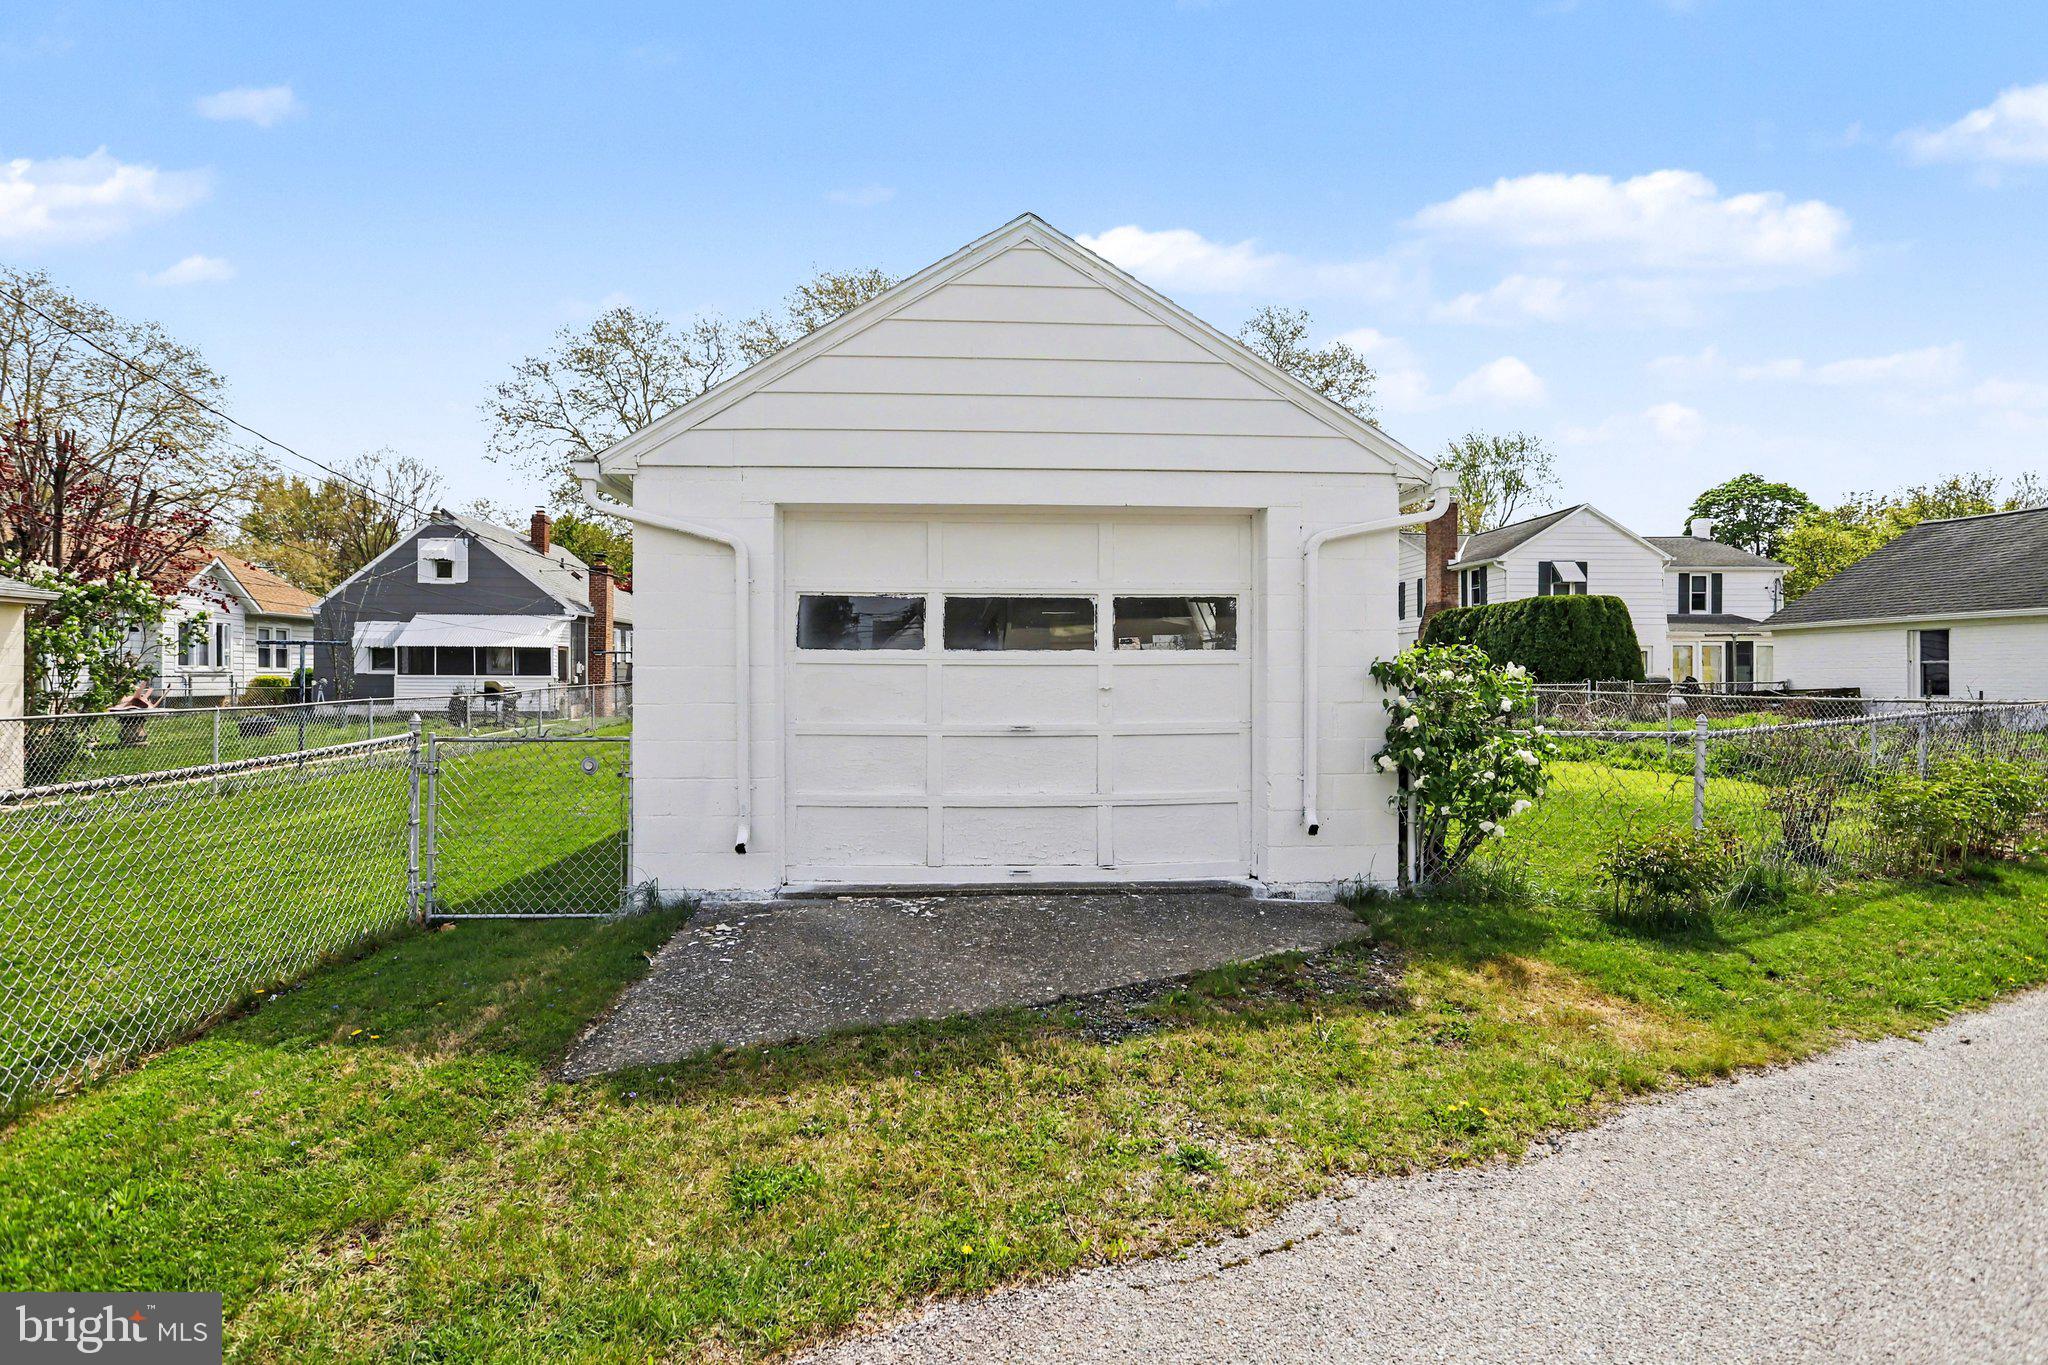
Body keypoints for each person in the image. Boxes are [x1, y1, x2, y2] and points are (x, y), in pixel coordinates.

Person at [109, 680, 162, 746]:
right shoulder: (127, 695)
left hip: (132, 707)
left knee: (135, 727)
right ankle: (133, 737)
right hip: (127, 706)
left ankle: (134, 737)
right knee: (132, 728)